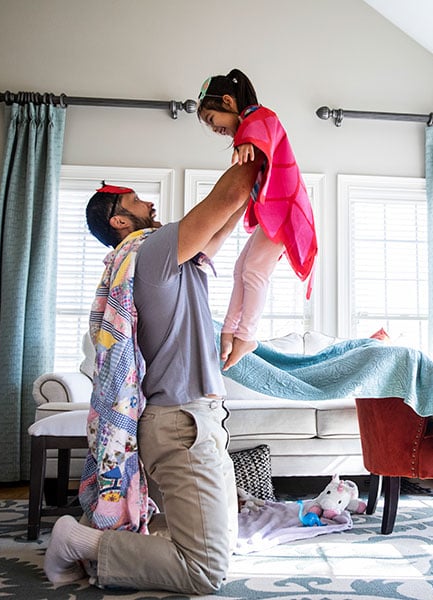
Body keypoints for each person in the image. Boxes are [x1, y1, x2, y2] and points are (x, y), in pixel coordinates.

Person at [43, 158, 261, 594]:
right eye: (136, 200)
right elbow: (231, 193)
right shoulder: (152, 250)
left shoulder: (167, 260)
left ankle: (111, 548)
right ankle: (78, 541)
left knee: (211, 541)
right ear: (121, 220)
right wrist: (257, 142)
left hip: (190, 420)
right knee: (205, 570)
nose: (149, 203)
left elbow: (223, 224)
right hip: (183, 425)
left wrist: (259, 187)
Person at [197, 68, 318, 370]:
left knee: (254, 272)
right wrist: (245, 139)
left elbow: (267, 125)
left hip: (285, 213)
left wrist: (245, 140)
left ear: (228, 101)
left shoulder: (259, 117)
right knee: (242, 268)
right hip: (275, 214)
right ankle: (229, 330)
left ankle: (247, 336)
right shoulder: (251, 125)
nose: (215, 129)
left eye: (213, 120)